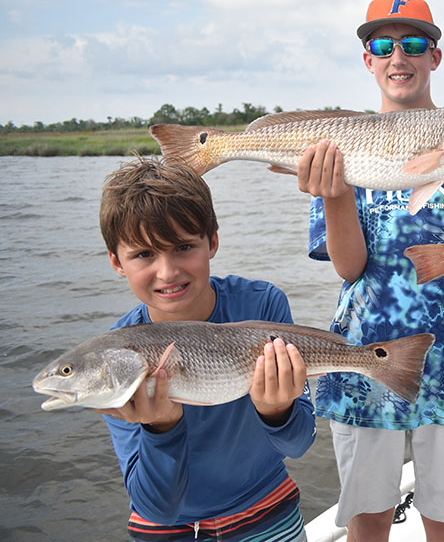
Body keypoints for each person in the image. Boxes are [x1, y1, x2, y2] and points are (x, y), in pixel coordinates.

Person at [297, 0, 444, 542]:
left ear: (435, 57)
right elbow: (349, 269)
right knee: (367, 519)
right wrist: (338, 194)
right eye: (384, 45)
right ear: (367, 60)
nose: (400, 56)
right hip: (362, 362)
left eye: (414, 43)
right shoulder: (338, 147)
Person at [96, 156, 316, 542]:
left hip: (268, 513)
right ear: (117, 261)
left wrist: (277, 410)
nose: (167, 272)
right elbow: (155, 507)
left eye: (183, 246)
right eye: (144, 254)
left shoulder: (262, 307)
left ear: (212, 241)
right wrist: (160, 428)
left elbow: (298, 444)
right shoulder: (116, 357)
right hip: (168, 533)